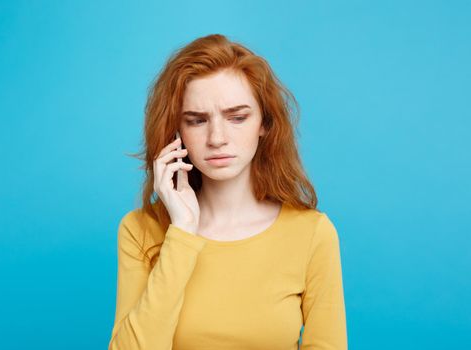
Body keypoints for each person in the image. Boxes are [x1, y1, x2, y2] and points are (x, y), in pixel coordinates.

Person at [108, 33, 347, 350]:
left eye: (237, 117)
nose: (217, 138)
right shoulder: (140, 231)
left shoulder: (313, 233)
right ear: (176, 131)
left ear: (265, 122)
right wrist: (182, 233)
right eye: (196, 120)